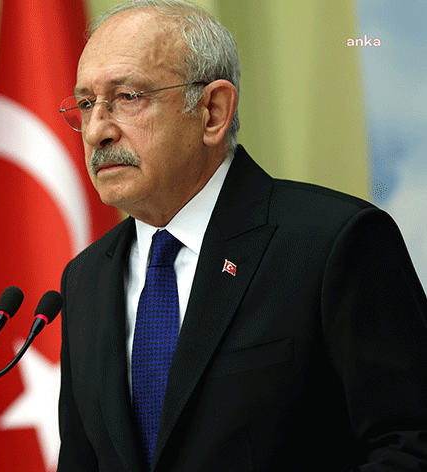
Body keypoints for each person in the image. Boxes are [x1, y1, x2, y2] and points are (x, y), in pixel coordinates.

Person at [56, 1, 427, 470]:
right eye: (86, 104)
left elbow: (410, 445)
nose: (96, 131)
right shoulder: (85, 278)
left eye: (127, 97)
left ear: (212, 111)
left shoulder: (332, 243)